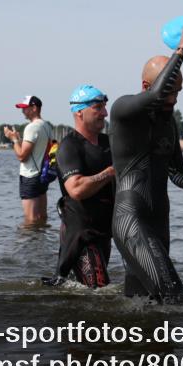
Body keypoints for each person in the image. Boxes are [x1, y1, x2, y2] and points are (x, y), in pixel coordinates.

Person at [110, 22, 183, 301]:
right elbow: (155, 96)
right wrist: (182, 48)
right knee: (175, 297)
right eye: (170, 92)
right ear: (145, 85)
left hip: (158, 224)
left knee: (144, 304)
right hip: (131, 219)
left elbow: (176, 171)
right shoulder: (123, 111)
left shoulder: (168, 124)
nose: (174, 99)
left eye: (179, 91)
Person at [48, 84, 116, 288]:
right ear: (79, 111)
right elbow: (76, 189)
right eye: (98, 107)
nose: (104, 113)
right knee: (99, 291)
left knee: (89, 290)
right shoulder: (69, 146)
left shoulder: (108, 142)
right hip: (81, 233)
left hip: (103, 230)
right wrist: (111, 172)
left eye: (105, 107)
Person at [4, 95, 52, 225]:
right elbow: (37, 151)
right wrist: (19, 140)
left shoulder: (32, 127)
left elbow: (22, 156)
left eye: (25, 108)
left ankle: (30, 244)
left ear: (34, 108)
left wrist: (13, 139)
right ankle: (41, 243)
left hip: (30, 176)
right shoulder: (46, 126)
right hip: (42, 175)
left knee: (30, 221)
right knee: (42, 217)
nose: (23, 111)